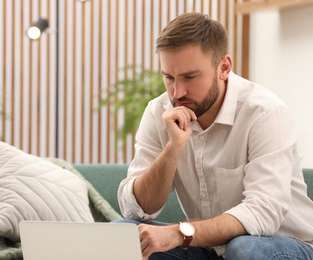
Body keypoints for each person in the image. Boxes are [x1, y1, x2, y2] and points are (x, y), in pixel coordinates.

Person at [117, 12, 313, 260]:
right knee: (124, 234)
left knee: (245, 248)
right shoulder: (159, 111)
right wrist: (173, 149)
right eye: (168, 77)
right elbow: (135, 209)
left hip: (282, 246)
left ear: (223, 67)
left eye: (190, 76)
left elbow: (264, 213)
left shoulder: (264, 113)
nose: (177, 91)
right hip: (206, 249)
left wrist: (179, 234)